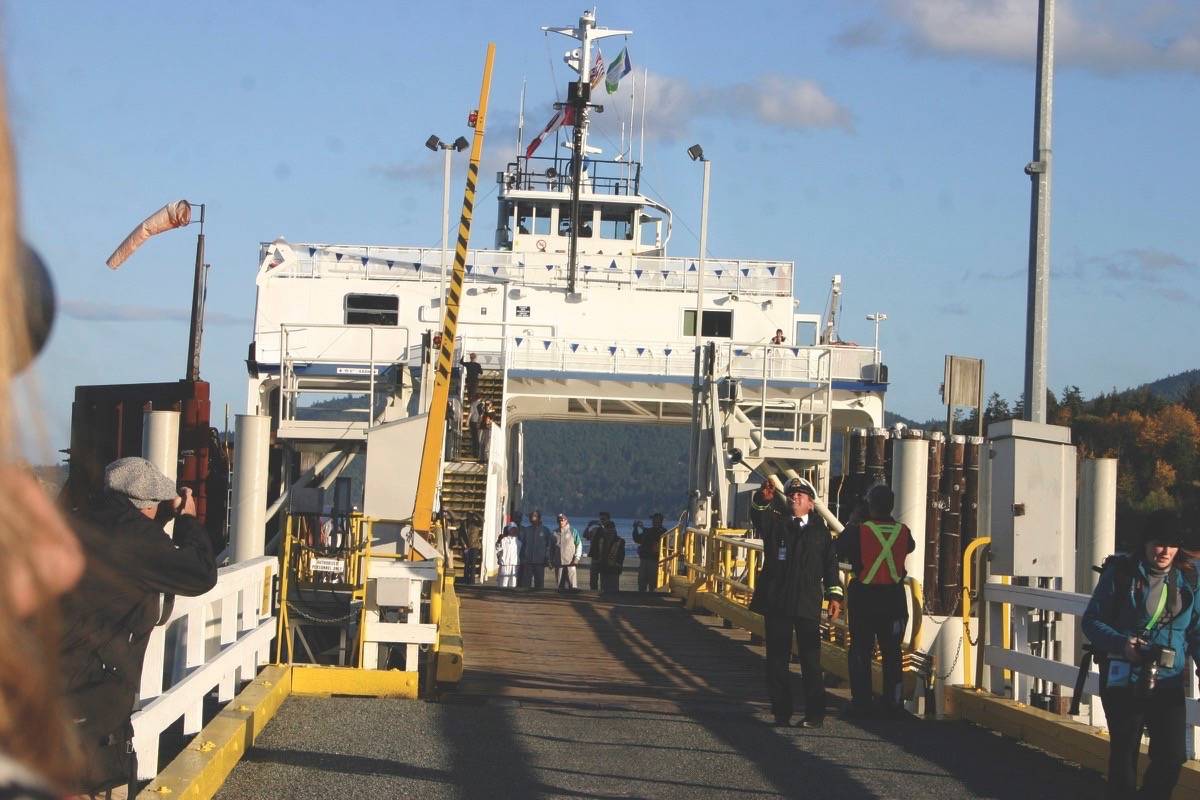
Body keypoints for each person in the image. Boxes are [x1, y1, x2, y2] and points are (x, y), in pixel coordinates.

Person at [60, 456, 219, 794]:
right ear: (145, 506)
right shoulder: (135, 539)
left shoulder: (74, 522)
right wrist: (187, 520)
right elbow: (201, 573)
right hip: (92, 699)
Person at [1082, 515, 1200, 800]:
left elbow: (1196, 630)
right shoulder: (1122, 574)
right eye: (1158, 543)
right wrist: (1122, 643)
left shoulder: (1189, 580)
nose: (1165, 551)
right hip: (1124, 675)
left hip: (1168, 679)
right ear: (1145, 544)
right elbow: (1091, 621)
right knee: (1124, 754)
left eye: (1171, 545)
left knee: (1172, 755)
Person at [749, 477, 843, 728]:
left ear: (811, 504)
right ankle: (782, 712)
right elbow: (758, 517)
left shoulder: (821, 533)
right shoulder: (776, 525)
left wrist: (835, 595)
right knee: (776, 661)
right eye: (792, 494)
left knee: (811, 661)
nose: (795, 497)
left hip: (806, 604)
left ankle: (815, 715)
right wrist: (761, 500)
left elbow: (830, 567)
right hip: (778, 603)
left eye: (801, 495)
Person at [837, 484, 915, 718]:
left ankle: (862, 701)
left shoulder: (857, 531)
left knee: (861, 650)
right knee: (892, 652)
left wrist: (854, 521)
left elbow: (838, 548)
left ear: (869, 505)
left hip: (866, 597)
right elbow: (909, 547)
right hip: (894, 599)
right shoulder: (903, 531)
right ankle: (893, 701)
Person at [633, 513, 669, 593]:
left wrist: (643, 528)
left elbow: (654, 535)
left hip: (654, 560)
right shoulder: (648, 530)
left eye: (655, 519)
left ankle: (652, 597)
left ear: (660, 521)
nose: (653, 521)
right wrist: (635, 528)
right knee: (641, 581)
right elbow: (637, 539)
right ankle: (641, 596)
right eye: (653, 519)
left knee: (653, 582)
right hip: (644, 559)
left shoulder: (663, 532)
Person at [590, 519, 626, 594]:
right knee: (604, 589)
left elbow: (621, 556)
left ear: (614, 529)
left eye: (611, 528)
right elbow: (596, 551)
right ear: (605, 530)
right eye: (607, 528)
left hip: (614, 569)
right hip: (604, 568)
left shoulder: (620, 541)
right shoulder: (601, 540)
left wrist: (619, 566)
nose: (609, 530)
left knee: (614, 590)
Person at [518, 510, 550, 589]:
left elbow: (548, 546)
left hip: (540, 562)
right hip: (527, 561)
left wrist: (547, 558)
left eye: (535, 516)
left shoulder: (545, 530)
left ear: (539, 518)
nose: (532, 517)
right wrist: (522, 558)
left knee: (539, 584)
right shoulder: (526, 530)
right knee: (525, 584)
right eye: (531, 516)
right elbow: (522, 545)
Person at [550, 513, 581, 591]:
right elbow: (551, 548)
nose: (561, 522)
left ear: (566, 520)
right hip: (558, 563)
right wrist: (550, 560)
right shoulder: (554, 533)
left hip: (571, 562)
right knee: (560, 587)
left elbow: (579, 545)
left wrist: (577, 558)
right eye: (559, 520)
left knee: (573, 587)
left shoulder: (573, 531)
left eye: (562, 520)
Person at [584, 511, 612, 590]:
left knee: (605, 579)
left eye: (603, 519)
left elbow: (609, 537)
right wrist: (588, 526)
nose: (601, 521)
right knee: (593, 578)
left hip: (605, 558)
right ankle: (593, 592)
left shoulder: (611, 529)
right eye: (600, 519)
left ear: (608, 520)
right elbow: (585, 535)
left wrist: (602, 526)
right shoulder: (595, 529)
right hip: (595, 557)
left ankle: (604, 593)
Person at [457, 512, 482, 585]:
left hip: (474, 546)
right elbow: (460, 534)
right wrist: (463, 544)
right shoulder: (464, 523)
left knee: (473, 564)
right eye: (468, 515)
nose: (469, 516)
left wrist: (477, 514)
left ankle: (472, 581)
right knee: (467, 563)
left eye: (471, 515)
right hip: (466, 546)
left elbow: (482, 520)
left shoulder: (476, 523)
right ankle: (466, 579)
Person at [496, 523, 520, 588]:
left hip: (514, 565)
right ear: (509, 530)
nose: (514, 531)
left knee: (513, 583)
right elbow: (498, 549)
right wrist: (499, 541)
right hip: (504, 564)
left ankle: (511, 596)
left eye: (515, 529)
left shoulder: (519, 541)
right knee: (503, 582)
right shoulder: (504, 540)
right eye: (512, 529)